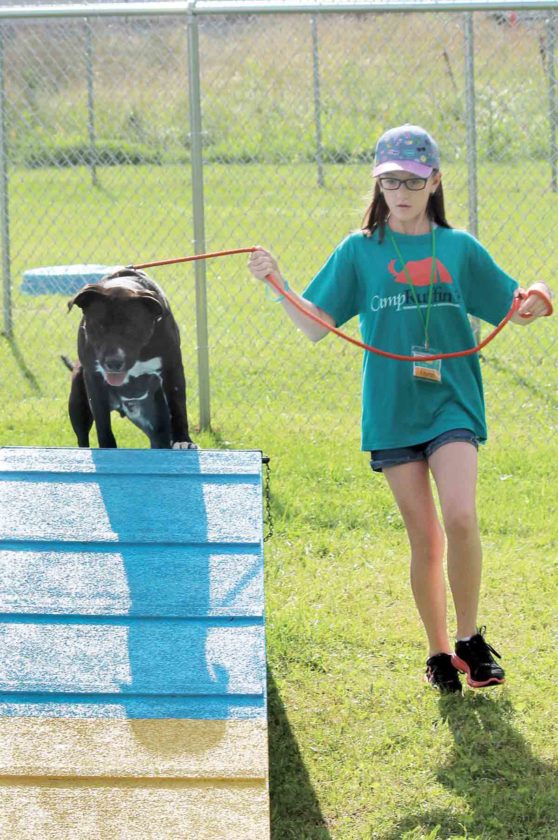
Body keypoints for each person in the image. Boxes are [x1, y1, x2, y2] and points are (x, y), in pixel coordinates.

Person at [248, 124, 553, 694]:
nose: (401, 191)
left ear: (434, 180)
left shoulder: (459, 248)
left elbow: (515, 308)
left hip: (452, 403)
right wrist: (277, 282)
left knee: (460, 516)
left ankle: (469, 639)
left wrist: (537, 296)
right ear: (379, 185)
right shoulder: (359, 250)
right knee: (426, 538)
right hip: (391, 410)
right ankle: (439, 654)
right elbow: (316, 326)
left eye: (412, 180)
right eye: (390, 181)